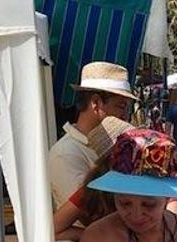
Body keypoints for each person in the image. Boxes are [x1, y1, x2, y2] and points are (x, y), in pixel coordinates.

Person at [54, 117, 177, 242]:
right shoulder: (156, 185)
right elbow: (175, 234)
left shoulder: (92, 187)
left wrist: (99, 237)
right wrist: (174, 190)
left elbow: (55, 229)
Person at [48, 61, 137, 208]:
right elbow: (88, 211)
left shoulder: (112, 144)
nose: (125, 115)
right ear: (96, 103)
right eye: (120, 106)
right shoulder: (66, 153)